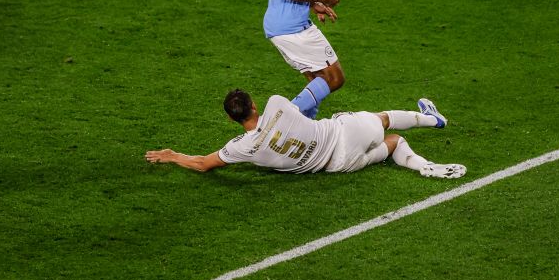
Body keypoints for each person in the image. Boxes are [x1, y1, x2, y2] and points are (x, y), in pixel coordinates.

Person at [145, 89, 465, 179]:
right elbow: (306, 101)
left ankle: (423, 165)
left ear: (232, 119)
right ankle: (433, 120)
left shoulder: (241, 148)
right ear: (254, 105)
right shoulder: (276, 105)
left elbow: (203, 164)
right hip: (342, 134)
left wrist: (173, 156)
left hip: (338, 165)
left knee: (394, 144)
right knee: (382, 120)